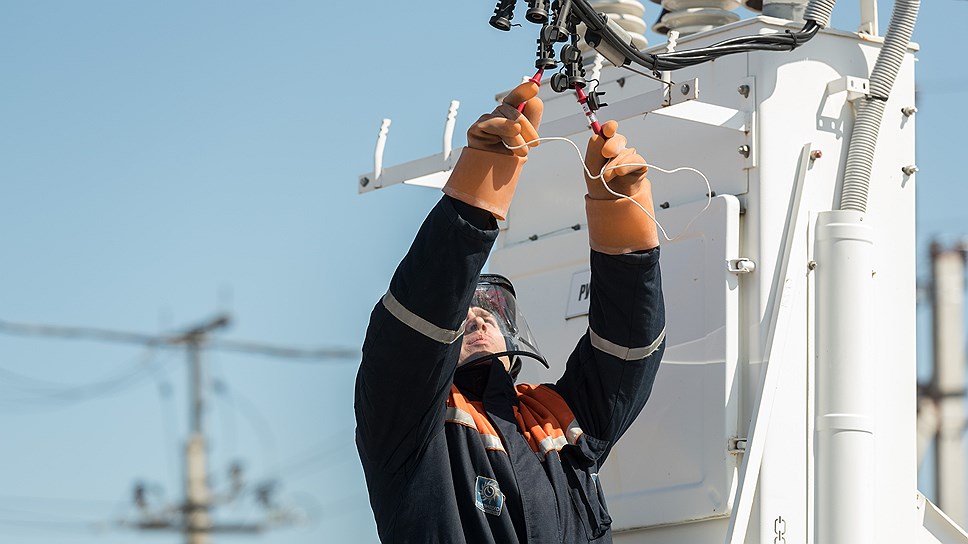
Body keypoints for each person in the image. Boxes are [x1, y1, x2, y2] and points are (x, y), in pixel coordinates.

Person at [355, 80, 665, 543]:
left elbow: (628, 350)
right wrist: (478, 190)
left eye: (491, 309)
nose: (478, 317)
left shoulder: (555, 417)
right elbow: (417, 322)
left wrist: (625, 229)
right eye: (462, 313)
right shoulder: (410, 421)